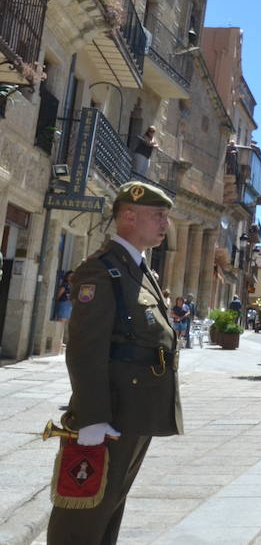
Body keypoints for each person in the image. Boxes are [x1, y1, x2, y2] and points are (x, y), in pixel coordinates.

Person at [47, 181, 180, 545]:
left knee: (109, 509)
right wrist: (92, 417)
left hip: (135, 410)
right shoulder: (101, 270)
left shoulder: (139, 269)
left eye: (166, 216)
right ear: (128, 216)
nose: (165, 223)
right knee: (83, 517)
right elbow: (85, 349)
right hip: (109, 413)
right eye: (158, 215)